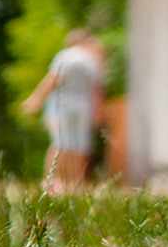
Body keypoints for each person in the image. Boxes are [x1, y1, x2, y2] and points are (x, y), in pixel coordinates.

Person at [22, 29, 105, 193]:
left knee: (60, 143)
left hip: (61, 107)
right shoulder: (92, 60)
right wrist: (99, 110)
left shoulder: (66, 56)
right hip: (83, 108)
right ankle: (75, 182)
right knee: (80, 145)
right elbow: (96, 89)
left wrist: (35, 99)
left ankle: (51, 180)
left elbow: (53, 79)